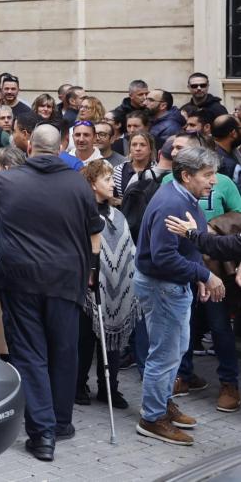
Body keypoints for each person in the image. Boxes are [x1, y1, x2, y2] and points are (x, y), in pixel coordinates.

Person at [0, 124, 103, 461]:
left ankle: (43, 433)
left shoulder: (4, 180)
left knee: (30, 353)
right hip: (66, 279)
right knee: (64, 350)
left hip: (21, 278)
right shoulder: (79, 185)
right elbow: (93, 231)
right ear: (62, 146)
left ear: (29, 146)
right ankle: (59, 423)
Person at [134, 146, 225, 445]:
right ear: (186, 175)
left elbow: (187, 246)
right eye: (207, 175)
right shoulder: (173, 202)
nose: (213, 181)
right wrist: (205, 274)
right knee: (164, 354)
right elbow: (164, 258)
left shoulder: (183, 195)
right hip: (163, 287)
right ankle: (152, 418)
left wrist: (196, 271)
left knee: (175, 349)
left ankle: (162, 405)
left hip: (172, 286)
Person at [75, 160, 137, 411]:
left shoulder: (117, 215)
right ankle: (78, 384)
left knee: (113, 342)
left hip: (116, 289)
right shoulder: (81, 213)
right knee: (85, 340)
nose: (113, 184)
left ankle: (109, 386)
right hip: (88, 289)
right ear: (92, 184)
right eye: (107, 180)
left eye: (112, 179)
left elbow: (127, 248)